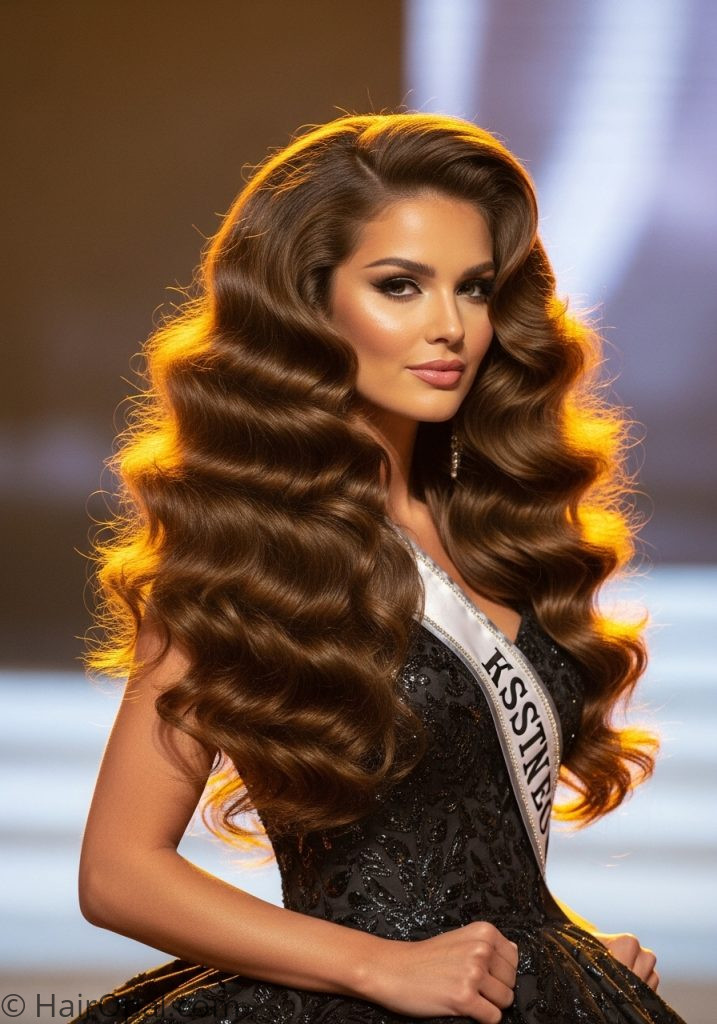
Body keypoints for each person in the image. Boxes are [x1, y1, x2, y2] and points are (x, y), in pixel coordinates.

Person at [69, 112, 686, 1024]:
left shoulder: (494, 537)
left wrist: (568, 952)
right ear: (307, 304)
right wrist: (378, 967)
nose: (450, 327)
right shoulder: (245, 553)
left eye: (473, 289)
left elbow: (471, 854)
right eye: (400, 286)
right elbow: (118, 872)